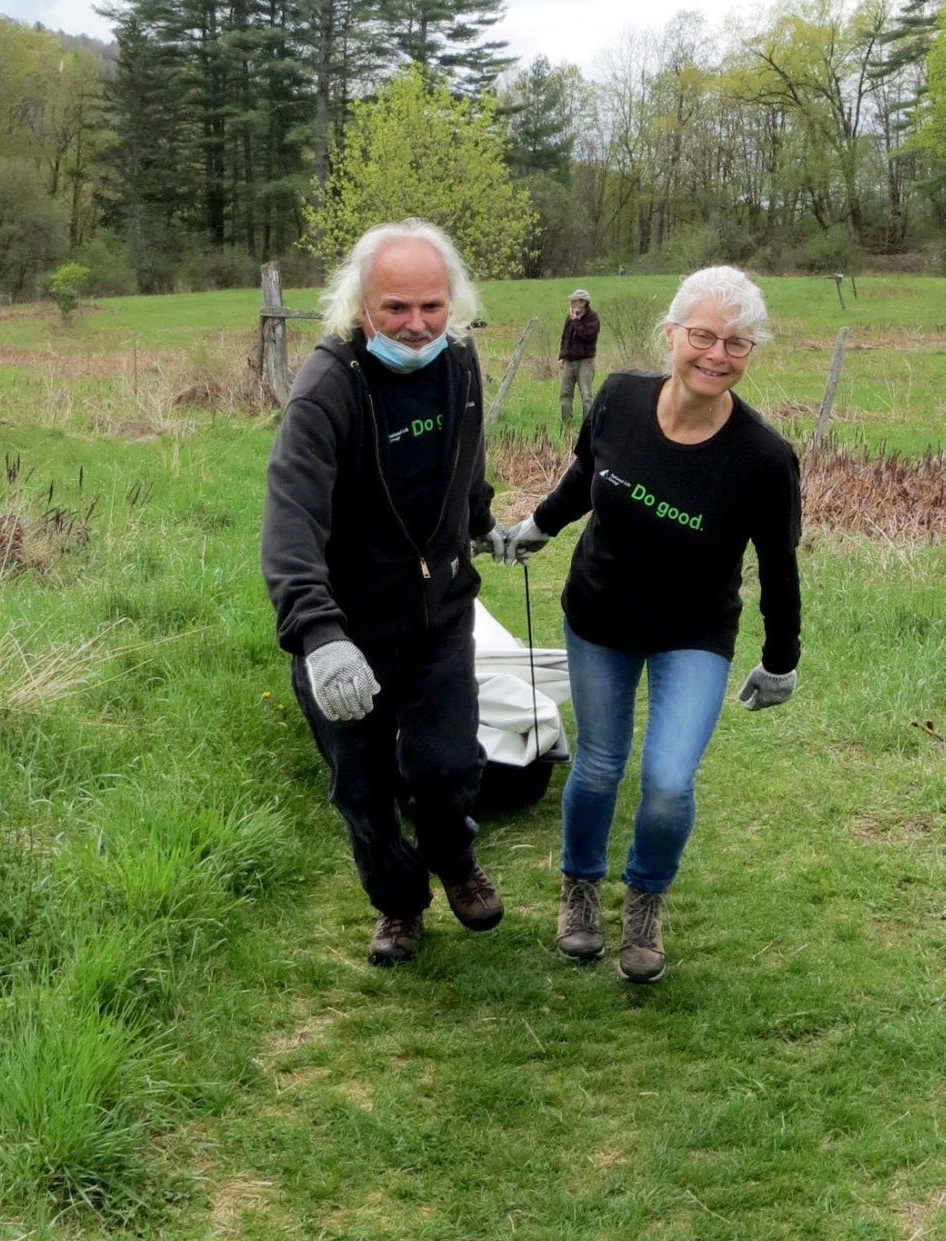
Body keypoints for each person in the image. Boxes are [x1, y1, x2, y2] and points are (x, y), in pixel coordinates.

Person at [502, 266, 801, 984]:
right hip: (600, 611)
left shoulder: (763, 459)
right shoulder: (619, 399)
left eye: (737, 342)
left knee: (667, 779)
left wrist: (781, 659)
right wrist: (537, 527)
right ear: (671, 334)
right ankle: (580, 892)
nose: (716, 354)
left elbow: (780, 566)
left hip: (693, 630)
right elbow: (585, 476)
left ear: (750, 352)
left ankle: (644, 901)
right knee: (601, 762)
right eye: (702, 334)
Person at [262, 219, 509, 967]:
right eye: (396, 307)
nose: (415, 325)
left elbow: (464, 459)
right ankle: (399, 904)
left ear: (453, 304)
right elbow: (291, 517)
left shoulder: (459, 363)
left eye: (431, 307)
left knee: (446, 767)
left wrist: (482, 522)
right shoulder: (328, 388)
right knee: (362, 792)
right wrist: (317, 634)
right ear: (359, 303)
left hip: (438, 617)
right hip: (347, 628)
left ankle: (454, 857)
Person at [557, 289, 600, 434]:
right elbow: (565, 338)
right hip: (569, 360)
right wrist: (561, 356)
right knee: (565, 394)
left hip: (585, 361)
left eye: (574, 301)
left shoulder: (593, 318)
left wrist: (575, 321)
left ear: (583, 303)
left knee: (586, 395)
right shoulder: (570, 318)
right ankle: (566, 426)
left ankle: (587, 428)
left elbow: (587, 336)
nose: (571, 303)